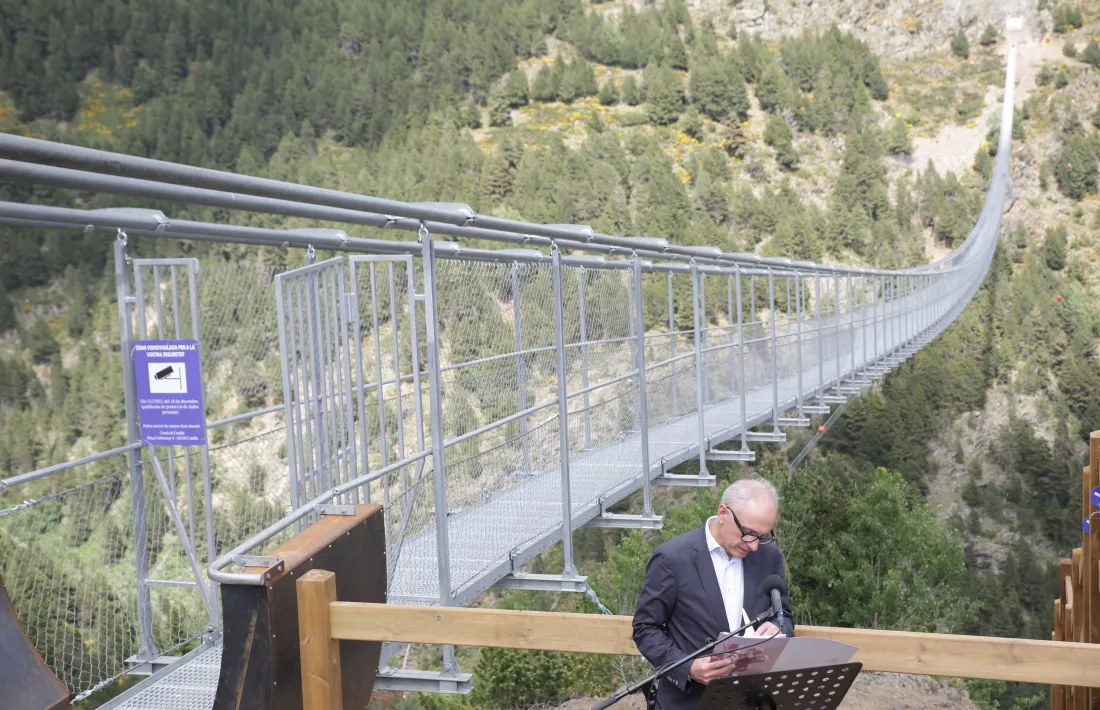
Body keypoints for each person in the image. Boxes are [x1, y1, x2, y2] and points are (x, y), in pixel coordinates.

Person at [632, 478, 794, 710]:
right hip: (690, 702)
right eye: (748, 533)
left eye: (762, 536)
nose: (754, 546)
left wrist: (779, 627)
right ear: (722, 513)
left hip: (752, 701)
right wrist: (686, 668)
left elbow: (785, 616)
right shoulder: (672, 559)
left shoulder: (769, 556)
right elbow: (645, 629)